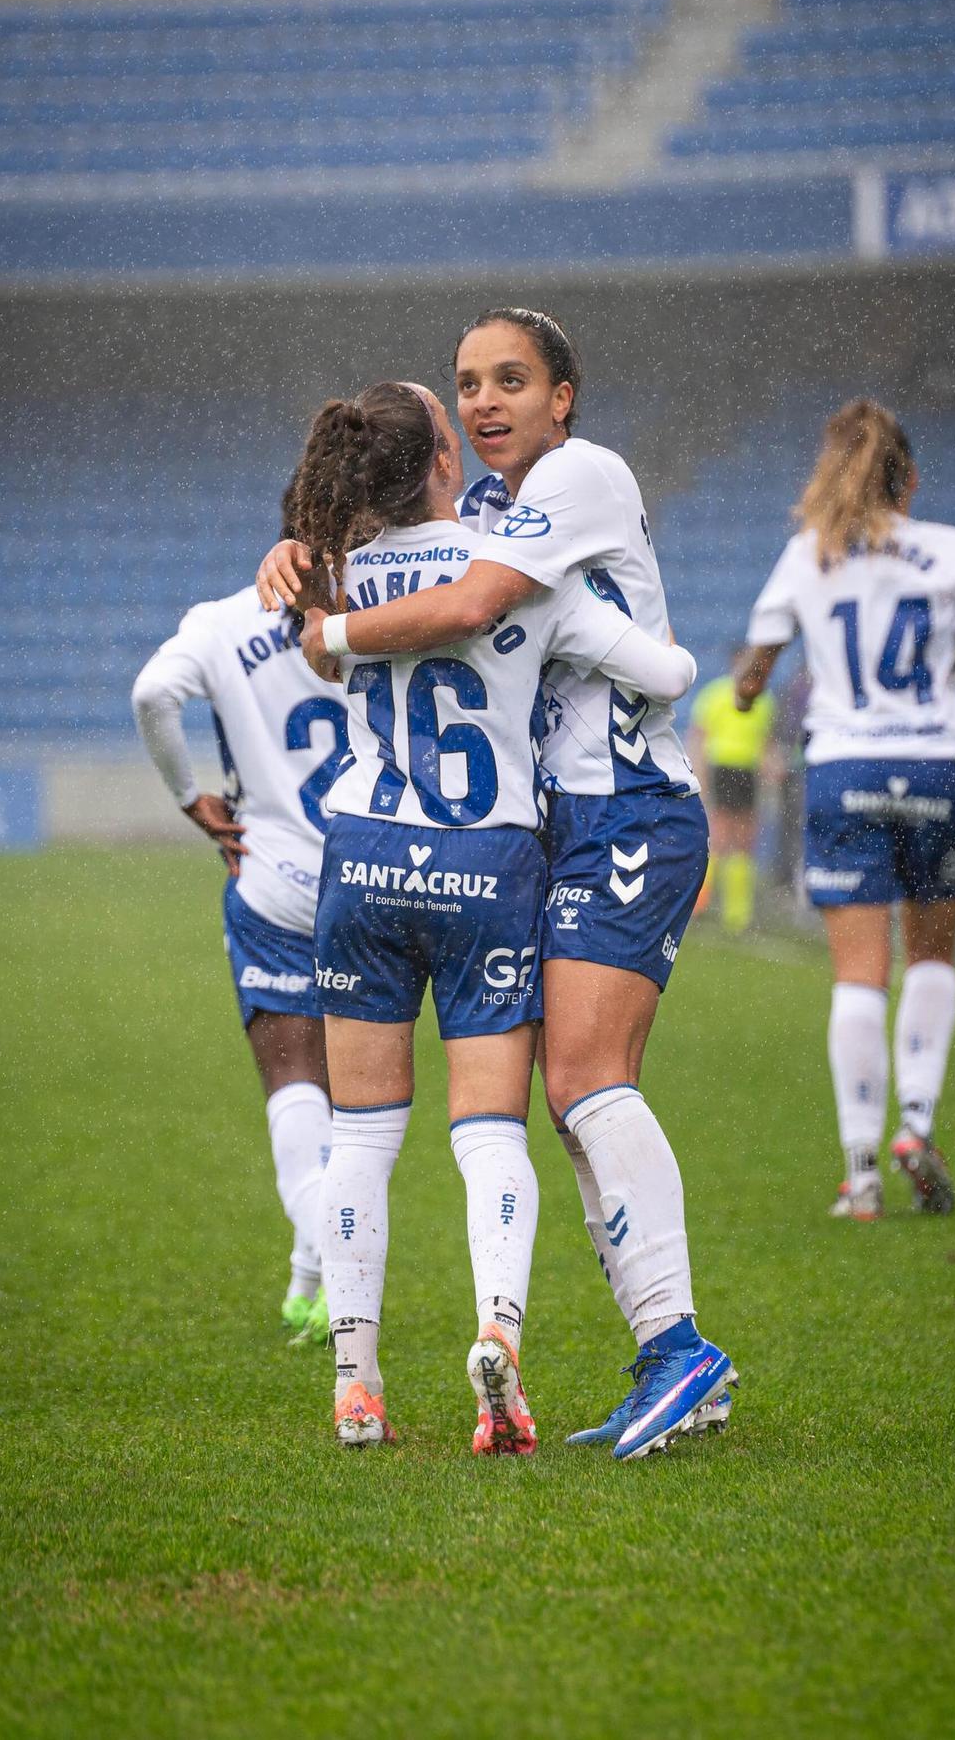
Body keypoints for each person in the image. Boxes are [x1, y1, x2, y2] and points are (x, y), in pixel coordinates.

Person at [260, 312, 736, 1457]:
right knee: (566, 1101)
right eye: (468, 384)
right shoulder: (489, 515)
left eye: (512, 380)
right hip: (548, 829)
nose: (484, 402)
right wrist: (285, 557)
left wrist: (329, 626)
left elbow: (465, 604)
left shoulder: (579, 476)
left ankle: (681, 1351)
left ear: (563, 398)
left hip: (624, 812)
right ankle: (673, 1360)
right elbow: (427, 556)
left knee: (579, 1080)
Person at [735, 398, 955, 1219]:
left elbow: (754, 674)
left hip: (845, 768)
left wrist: (748, 687)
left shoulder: (808, 554)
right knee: (932, 956)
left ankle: (860, 1171)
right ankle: (916, 1124)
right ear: (911, 479)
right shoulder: (954, 551)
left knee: (858, 978)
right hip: (936, 765)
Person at [131, 479, 348, 1345]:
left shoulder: (222, 623)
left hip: (272, 882)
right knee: (354, 1099)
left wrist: (190, 798)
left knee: (295, 1086)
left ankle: (329, 1264)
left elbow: (152, 695)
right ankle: (312, 1274)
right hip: (370, 876)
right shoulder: (389, 612)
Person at [688, 654, 776, 932]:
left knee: (740, 840)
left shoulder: (758, 699)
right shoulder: (720, 694)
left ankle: (734, 914)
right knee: (724, 836)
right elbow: (699, 736)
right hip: (725, 768)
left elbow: (765, 742)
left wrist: (769, 770)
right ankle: (710, 906)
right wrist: (699, 773)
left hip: (743, 771)